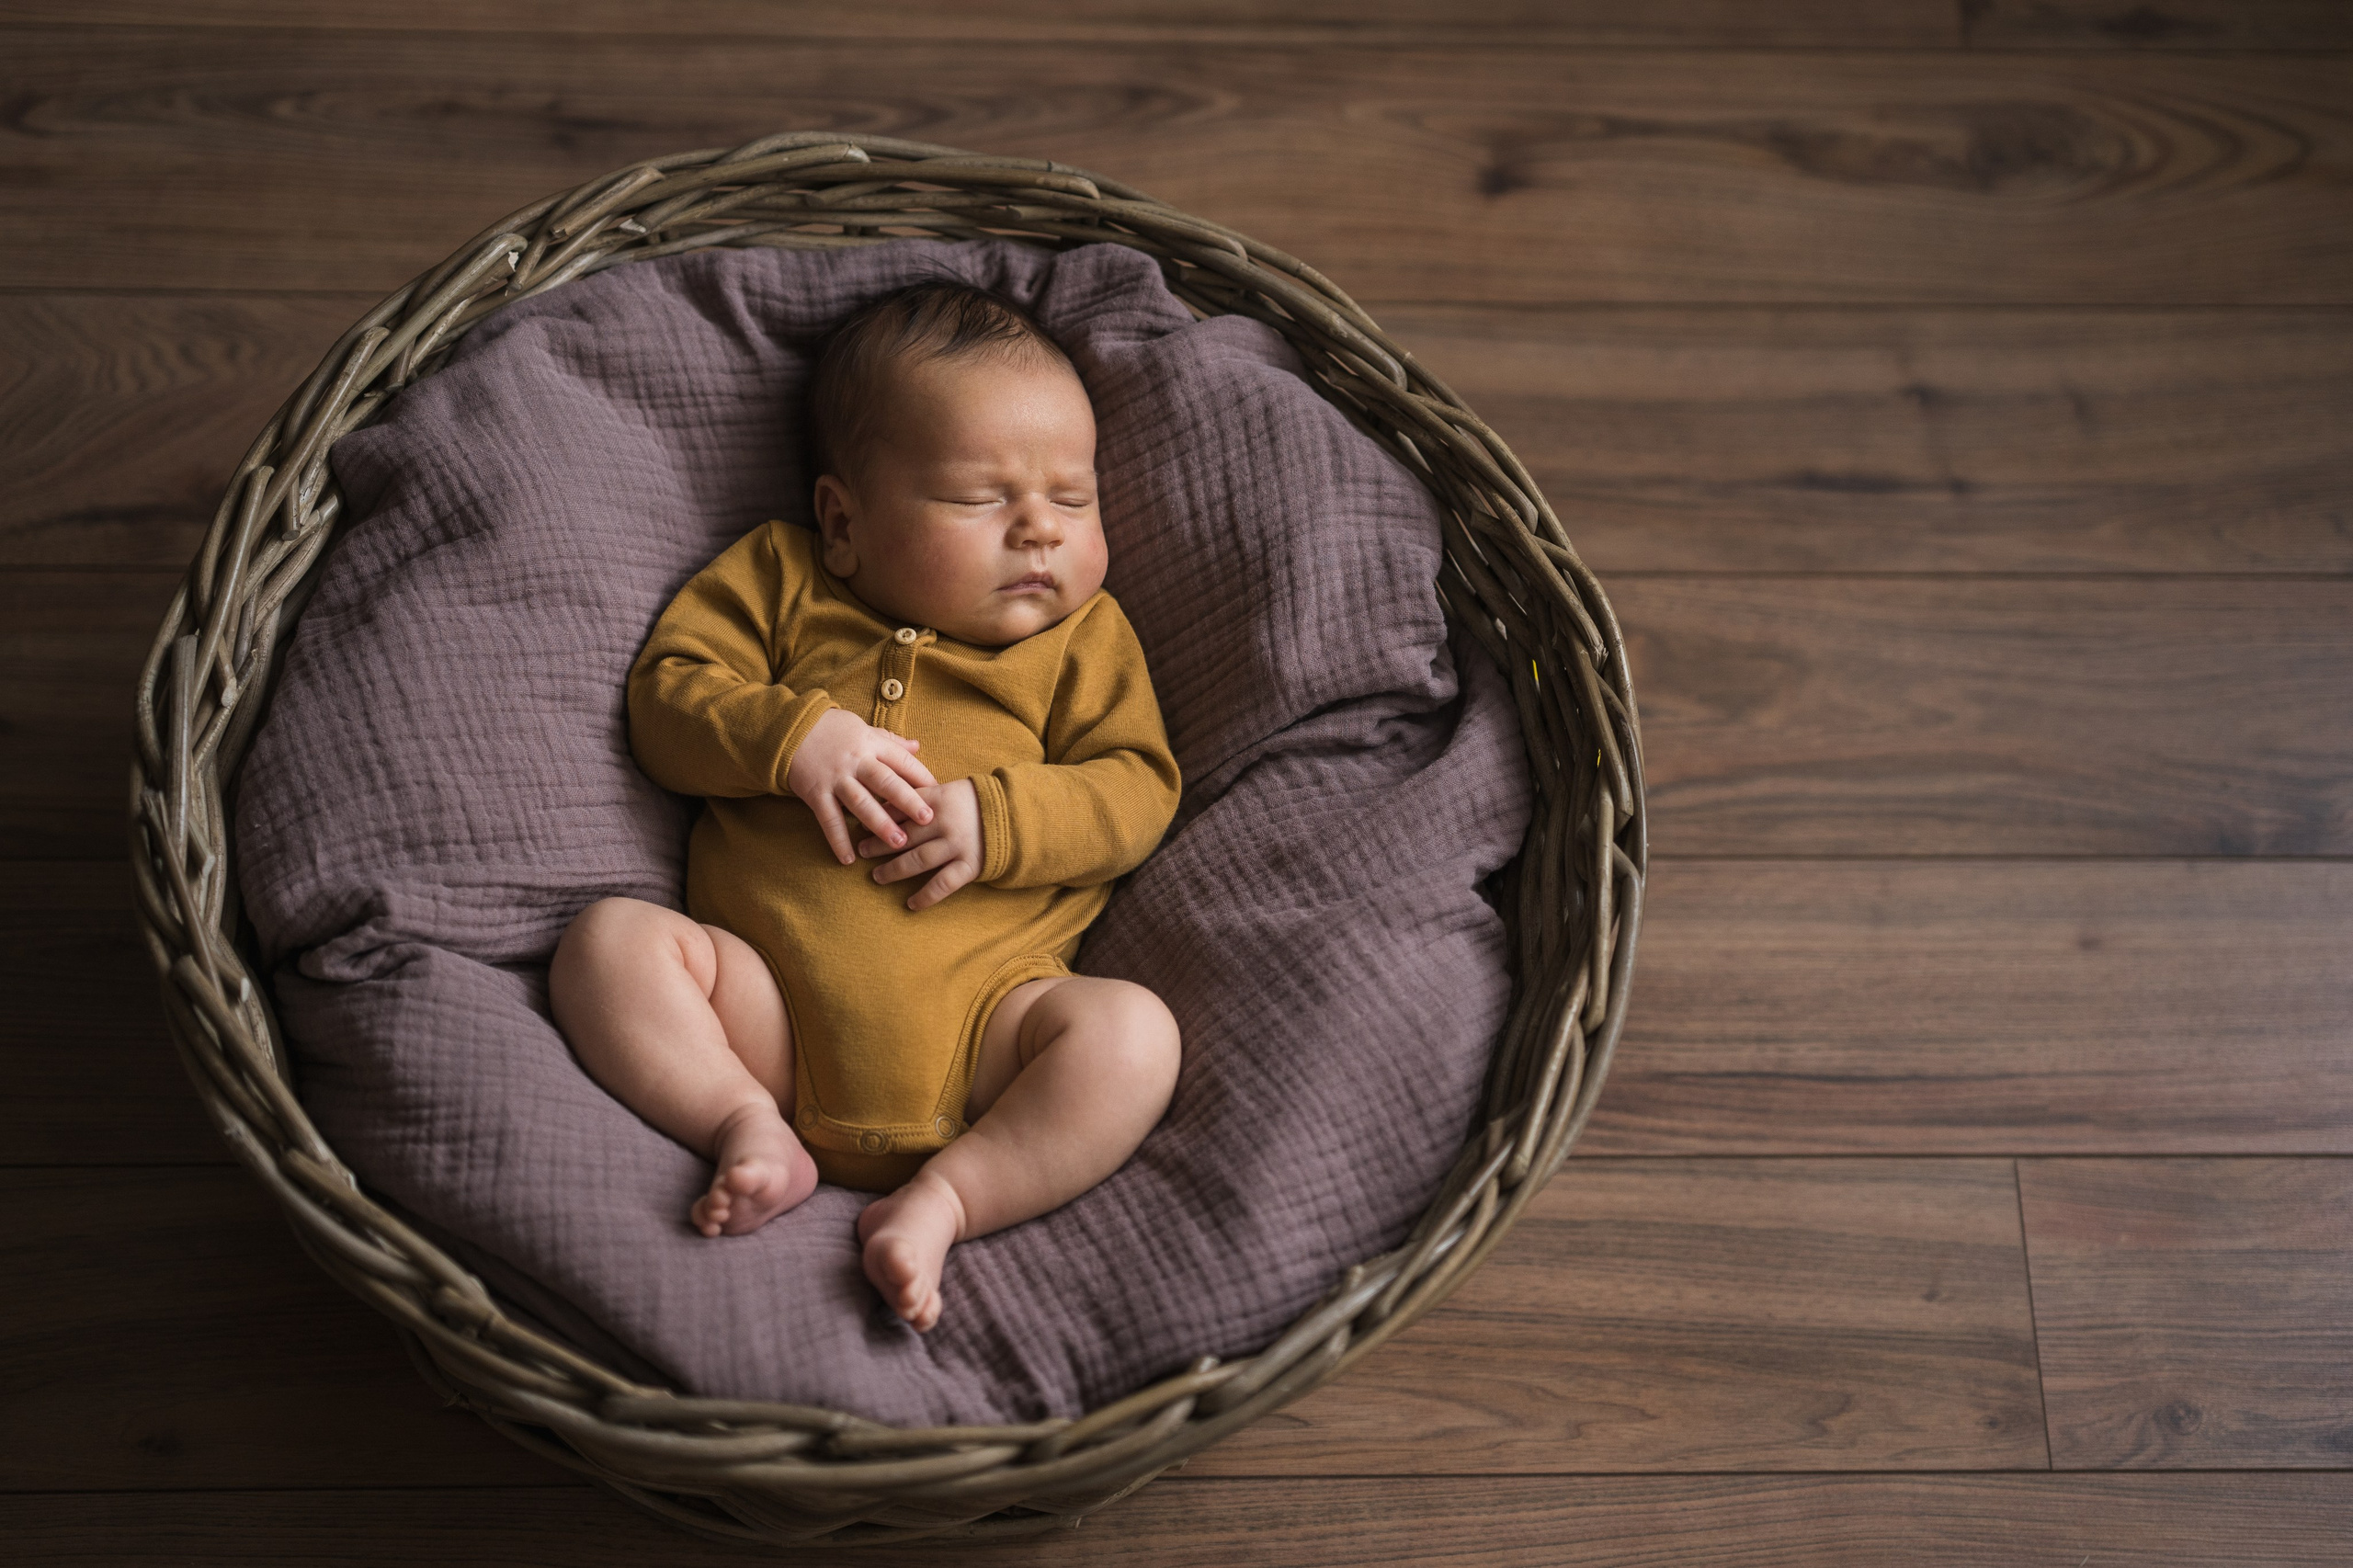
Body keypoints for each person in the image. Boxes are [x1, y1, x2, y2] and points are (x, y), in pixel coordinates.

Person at [547, 279, 1183, 1334]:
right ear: (843, 521)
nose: (1038, 531)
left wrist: (1002, 819)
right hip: (764, 1016)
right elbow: (667, 701)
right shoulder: (780, 578)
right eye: (982, 499)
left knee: (1132, 1036)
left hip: (991, 1031)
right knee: (608, 945)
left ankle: (948, 1195)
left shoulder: (1082, 639)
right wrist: (794, 738)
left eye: (1073, 499)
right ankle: (744, 1124)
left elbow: (1136, 788)